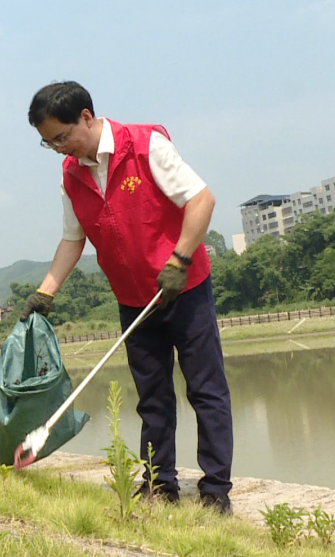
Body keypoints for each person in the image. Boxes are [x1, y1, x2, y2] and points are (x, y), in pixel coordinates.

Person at [22, 81, 233, 513]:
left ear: (86, 115)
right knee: (152, 397)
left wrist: (179, 260)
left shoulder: (145, 146)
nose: (60, 149)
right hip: (134, 299)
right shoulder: (71, 175)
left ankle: (215, 490)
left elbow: (201, 200)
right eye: (49, 143)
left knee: (206, 391)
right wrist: (46, 291)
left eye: (62, 137)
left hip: (183, 289)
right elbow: (72, 238)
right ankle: (160, 484)